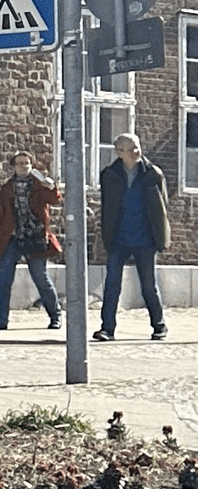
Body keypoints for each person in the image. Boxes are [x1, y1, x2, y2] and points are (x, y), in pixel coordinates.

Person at [95, 132, 170, 342]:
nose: (136, 152)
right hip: (118, 237)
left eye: (137, 146)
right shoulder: (109, 174)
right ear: (120, 153)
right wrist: (107, 236)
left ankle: (159, 325)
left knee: (148, 285)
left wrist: (161, 237)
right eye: (130, 148)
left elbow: (162, 206)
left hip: (145, 237)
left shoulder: (153, 173)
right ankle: (107, 328)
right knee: (112, 284)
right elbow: (106, 207)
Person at [0, 150, 62, 331]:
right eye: (19, 163)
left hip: (34, 236)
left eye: (26, 163)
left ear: (31, 165)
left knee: (40, 277)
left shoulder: (39, 185)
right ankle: (1, 319)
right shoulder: (8, 188)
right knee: (4, 278)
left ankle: (55, 315)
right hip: (12, 237)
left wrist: (52, 187)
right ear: (13, 166)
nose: (23, 166)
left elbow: (55, 200)